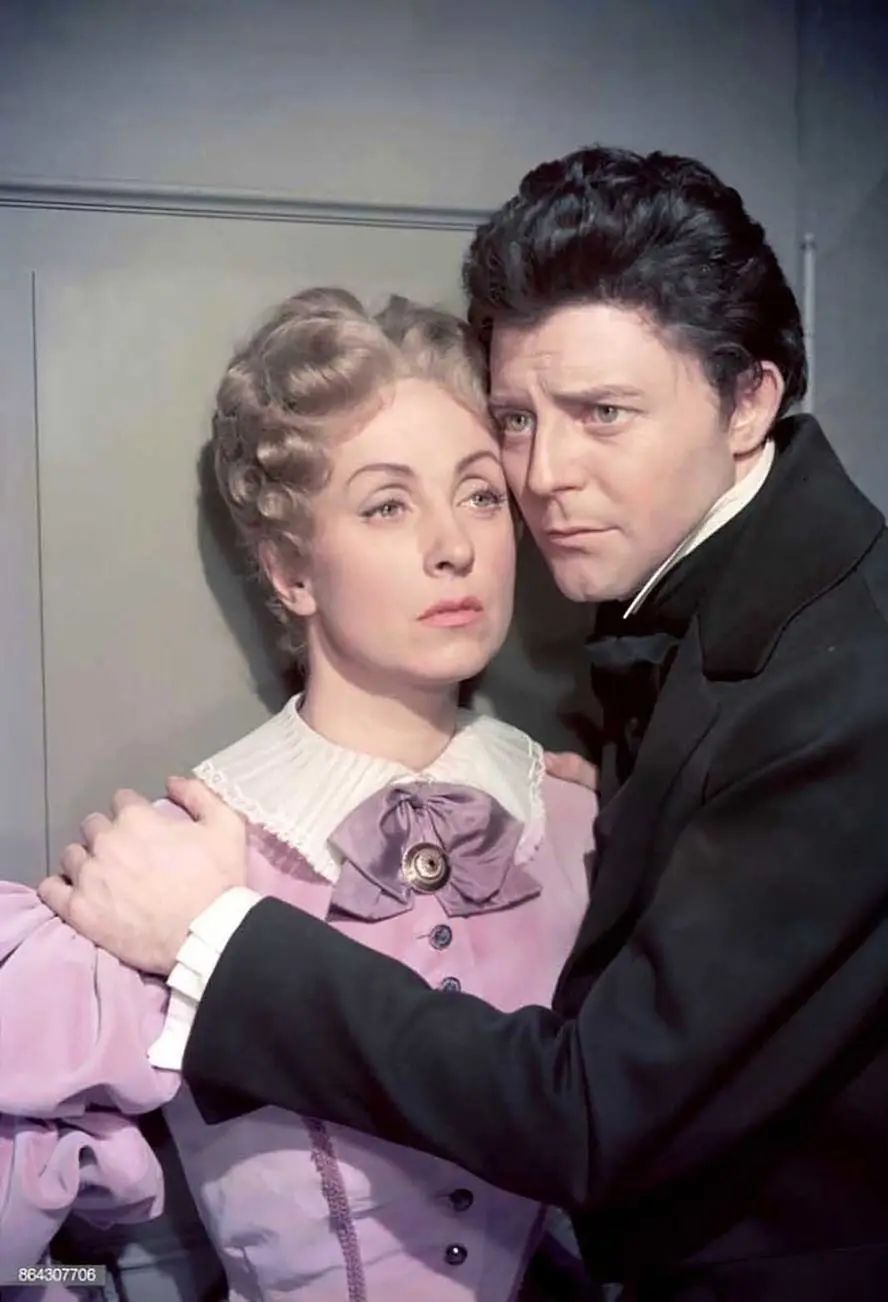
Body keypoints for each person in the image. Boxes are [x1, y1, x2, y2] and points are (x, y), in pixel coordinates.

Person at [45, 148, 888, 1300]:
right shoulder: (676, 666)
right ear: (287, 569)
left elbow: (596, 1115)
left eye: (602, 413)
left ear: (750, 399)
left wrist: (222, 939)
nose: (544, 475)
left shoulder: (880, 694)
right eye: (516, 419)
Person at [0, 288, 596, 1299]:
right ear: (289, 570)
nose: (453, 546)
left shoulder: (582, 823)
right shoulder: (179, 861)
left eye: (481, 494)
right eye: (387, 504)